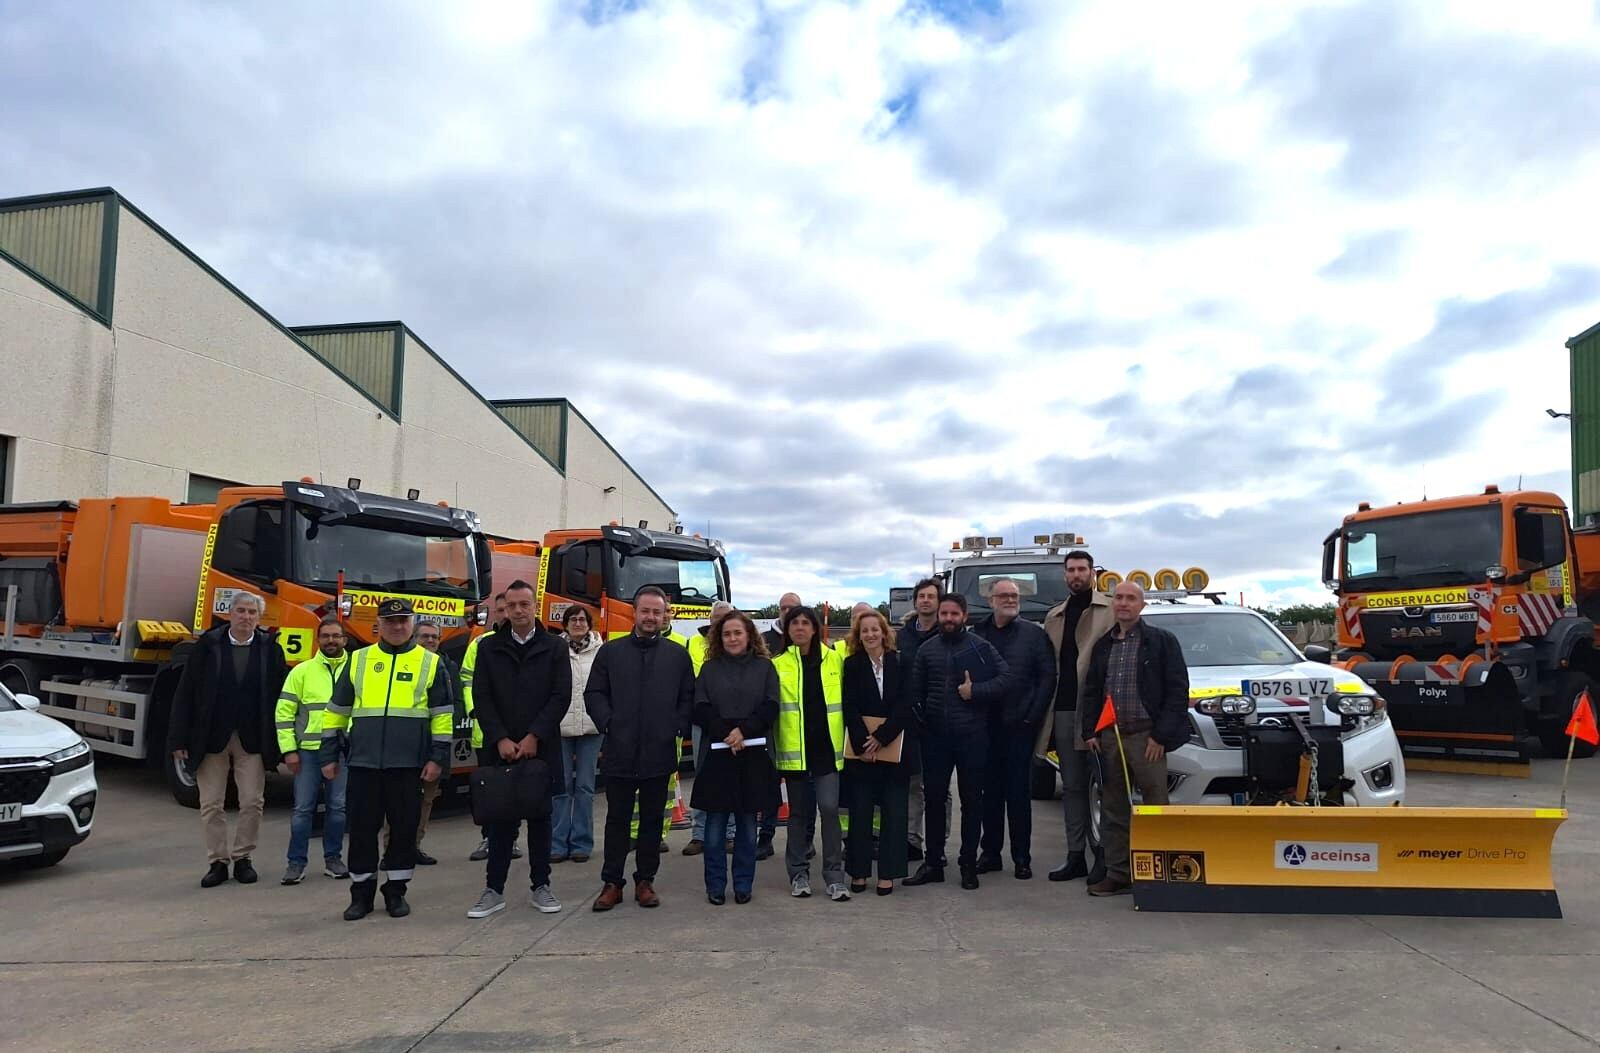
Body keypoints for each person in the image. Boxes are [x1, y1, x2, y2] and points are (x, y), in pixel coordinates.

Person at [319, 598, 452, 921]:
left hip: (408, 765)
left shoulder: (430, 663)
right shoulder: (359, 660)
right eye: (390, 621)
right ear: (378, 624)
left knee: (404, 831)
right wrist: (328, 754)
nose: (397, 626)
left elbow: (443, 716)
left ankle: (396, 892)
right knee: (362, 831)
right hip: (364, 763)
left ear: (411, 623)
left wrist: (437, 758)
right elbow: (336, 712)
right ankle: (360, 896)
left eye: (403, 621)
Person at [465, 580, 571, 918]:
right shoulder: (488, 648)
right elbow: (481, 697)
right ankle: (493, 890)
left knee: (540, 819)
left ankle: (542, 886)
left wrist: (534, 736)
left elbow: (561, 695)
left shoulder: (554, 647)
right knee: (500, 822)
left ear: (534, 606)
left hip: (541, 747)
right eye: (513, 606)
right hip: (501, 749)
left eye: (525, 604)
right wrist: (499, 738)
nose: (519, 611)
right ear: (504, 609)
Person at [585, 586, 695, 910]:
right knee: (616, 820)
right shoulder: (611, 652)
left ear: (665, 616)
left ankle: (645, 881)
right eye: (645, 611)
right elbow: (594, 693)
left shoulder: (677, 656)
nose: (650, 617)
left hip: (658, 752)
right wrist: (609, 723)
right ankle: (612, 883)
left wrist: (676, 727)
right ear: (635, 613)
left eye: (656, 612)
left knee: (651, 821)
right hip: (620, 750)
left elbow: (688, 697)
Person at [168, 591, 287, 888]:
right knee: (211, 803)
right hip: (210, 737)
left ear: (259, 618)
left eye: (252, 612)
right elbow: (186, 693)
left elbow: (279, 696)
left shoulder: (270, 648)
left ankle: (243, 858)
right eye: (241, 611)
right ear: (230, 614)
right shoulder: (208, 646)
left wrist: (282, 742)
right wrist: (178, 738)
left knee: (251, 801)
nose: (246, 617)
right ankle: (217, 862)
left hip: (253, 738)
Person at [1082, 581, 1190, 897]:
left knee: (1156, 807)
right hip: (1111, 737)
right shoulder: (1103, 645)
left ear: (1142, 605)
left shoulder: (1161, 641)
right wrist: (1090, 731)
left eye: (1131, 598)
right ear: (1113, 604)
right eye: (1119, 598)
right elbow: (1091, 691)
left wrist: (1161, 736)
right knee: (1114, 807)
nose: (1124, 603)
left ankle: (1164, 874)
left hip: (1148, 739)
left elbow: (1177, 691)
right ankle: (1119, 874)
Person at [904, 594, 1012, 891]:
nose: (948, 619)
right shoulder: (927, 650)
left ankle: (968, 864)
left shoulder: (981, 647)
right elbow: (914, 691)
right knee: (934, 800)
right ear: (938, 616)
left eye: (954, 614)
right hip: (936, 738)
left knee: (971, 802)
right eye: (944, 614)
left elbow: (1006, 680)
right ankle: (933, 863)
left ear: (964, 616)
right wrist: (922, 720)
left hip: (972, 736)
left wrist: (975, 691)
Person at [691, 609, 779, 905]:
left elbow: (770, 706)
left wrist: (743, 731)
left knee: (746, 825)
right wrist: (726, 733)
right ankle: (715, 885)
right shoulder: (710, 668)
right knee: (715, 825)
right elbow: (700, 706)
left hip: (753, 754)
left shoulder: (764, 668)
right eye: (727, 633)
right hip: (717, 754)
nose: (732, 638)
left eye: (737, 633)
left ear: (749, 635)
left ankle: (743, 884)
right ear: (719, 636)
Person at [1041, 550, 1115, 883]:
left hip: (1102, 712)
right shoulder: (1055, 616)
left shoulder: (1112, 609)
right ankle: (1075, 856)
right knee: (1071, 787)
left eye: (1082, 569)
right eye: (1070, 570)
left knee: (1104, 786)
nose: (1076, 575)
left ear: (1093, 572)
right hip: (1065, 709)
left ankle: (1106, 856)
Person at [974, 579, 1056, 880]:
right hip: (983, 728)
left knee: (1019, 796)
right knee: (989, 795)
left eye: (1014, 595)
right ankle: (990, 854)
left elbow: (1047, 677)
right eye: (1004, 595)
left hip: (1020, 727)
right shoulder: (977, 634)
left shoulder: (1034, 635)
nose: (1010, 599)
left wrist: (1031, 718)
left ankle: (1022, 857)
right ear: (991, 600)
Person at [771, 604, 850, 901]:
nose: (800, 628)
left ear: (815, 628)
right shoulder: (778, 664)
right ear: (788, 630)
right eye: (795, 624)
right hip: (795, 754)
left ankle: (834, 876)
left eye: (806, 623)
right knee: (799, 816)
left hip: (827, 752)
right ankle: (799, 874)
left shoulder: (835, 660)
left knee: (830, 811)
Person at [842, 608, 913, 896]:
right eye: (864, 631)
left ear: (885, 632)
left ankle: (888, 874)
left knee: (894, 813)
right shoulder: (852, 664)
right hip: (863, 753)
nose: (870, 634)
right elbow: (849, 705)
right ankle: (858, 873)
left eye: (875, 629)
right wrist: (864, 743)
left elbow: (907, 702)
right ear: (858, 636)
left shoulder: (902, 662)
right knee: (859, 812)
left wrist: (882, 738)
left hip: (894, 748)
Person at [277, 615, 351, 884]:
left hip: (342, 752)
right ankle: (295, 863)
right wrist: (289, 750)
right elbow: (284, 713)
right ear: (318, 640)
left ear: (344, 639)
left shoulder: (356, 670)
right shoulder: (301, 671)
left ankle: (334, 859)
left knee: (338, 808)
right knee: (303, 809)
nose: (331, 640)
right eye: (326, 636)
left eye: (336, 636)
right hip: (308, 751)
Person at [394, 619, 460, 867]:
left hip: (435, 747)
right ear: (414, 638)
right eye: (425, 636)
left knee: (426, 801)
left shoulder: (448, 666)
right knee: (398, 802)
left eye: (434, 637)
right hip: (406, 746)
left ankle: (414, 847)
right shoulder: (402, 663)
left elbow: (457, 703)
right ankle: (393, 849)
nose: (431, 641)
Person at [550, 603, 603, 864]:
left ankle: (582, 843)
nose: (578, 623)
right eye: (573, 619)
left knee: (584, 786)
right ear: (565, 624)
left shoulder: (601, 652)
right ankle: (557, 844)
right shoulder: (554, 650)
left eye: (582, 619)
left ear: (589, 624)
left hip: (591, 728)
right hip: (559, 727)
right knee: (561, 787)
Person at [683, 600, 736, 857]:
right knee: (702, 775)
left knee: (733, 776)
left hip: (732, 722)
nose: (721, 622)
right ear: (711, 619)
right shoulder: (693, 643)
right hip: (702, 720)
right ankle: (699, 834)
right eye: (717, 617)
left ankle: (729, 834)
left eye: (726, 617)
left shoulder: (738, 645)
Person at [899, 578, 943, 864]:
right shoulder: (902, 637)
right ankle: (912, 840)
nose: (926, 600)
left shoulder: (950, 632)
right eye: (922, 596)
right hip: (910, 720)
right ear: (915, 602)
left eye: (931, 596)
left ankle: (939, 844)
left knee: (938, 787)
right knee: (913, 783)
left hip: (941, 720)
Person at [757, 592, 803, 860]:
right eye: (783, 607)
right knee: (769, 787)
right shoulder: (764, 641)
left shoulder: (806, 637)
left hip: (800, 728)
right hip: (770, 727)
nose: (787, 612)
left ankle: (803, 842)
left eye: (792, 608)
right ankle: (765, 837)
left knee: (801, 794)